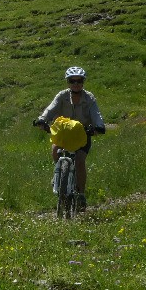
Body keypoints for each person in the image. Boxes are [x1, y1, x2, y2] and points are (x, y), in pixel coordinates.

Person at [32, 66, 105, 209]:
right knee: (55, 150)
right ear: (68, 82)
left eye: (79, 81)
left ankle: (81, 194)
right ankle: (58, 173)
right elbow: (50, 108)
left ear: (83, 82)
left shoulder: (89, 98)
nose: (76, 84)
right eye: (72, 81)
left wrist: (99, 126)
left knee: (79, 161)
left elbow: (96, 114)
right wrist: (42, 119)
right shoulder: (62, 96)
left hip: (82, 134)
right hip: (63, 133)